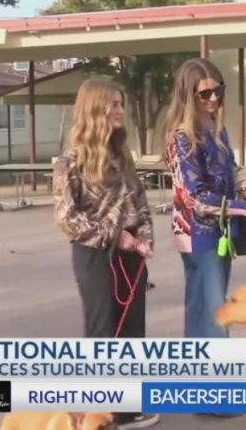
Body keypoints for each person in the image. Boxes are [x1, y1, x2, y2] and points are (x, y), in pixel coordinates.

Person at [52, 79, 159, 430]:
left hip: (131, 255)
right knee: (104, 334)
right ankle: (96, 415)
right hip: (96, 256)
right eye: (113, 104)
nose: (120, 110)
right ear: (95, 109)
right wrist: (116, 237)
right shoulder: (71, 160)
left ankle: (126, 410)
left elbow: (138, 201)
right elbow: (67, 218)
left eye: (120, 103)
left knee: (131, 332)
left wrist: (143, 239)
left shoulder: (121, 151)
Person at [162, 58, 246, 344]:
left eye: (218, 91)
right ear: (188, 96)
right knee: (210, 310)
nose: (214, 98)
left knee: (210, 304)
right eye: (205, 94)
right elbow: (195, 198)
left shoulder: (216, 127)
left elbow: (230, 167)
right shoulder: (181, 138)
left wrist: (245, 182)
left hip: (222, 229)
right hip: (197, 233)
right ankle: (212, 375)